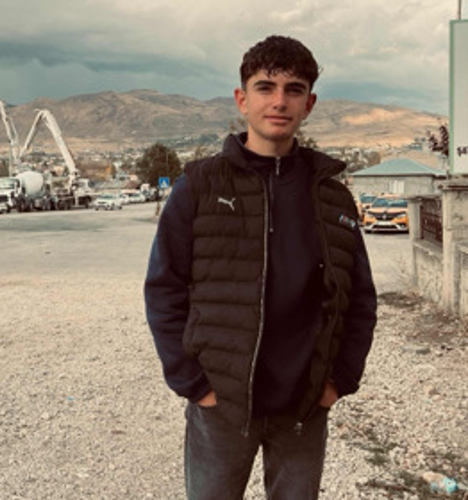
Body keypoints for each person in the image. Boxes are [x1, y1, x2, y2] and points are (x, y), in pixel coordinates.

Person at [144, 35, 377, 500]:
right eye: (265, 87)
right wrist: (194, 383)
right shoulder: (200, 187)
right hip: (222, 404)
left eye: (294, 90)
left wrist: (338, 381)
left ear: (309, 103)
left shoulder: (332, 196)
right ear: (242, 99)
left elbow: (360, 297)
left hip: (304, 405)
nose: (279, 101)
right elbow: (164, 288)